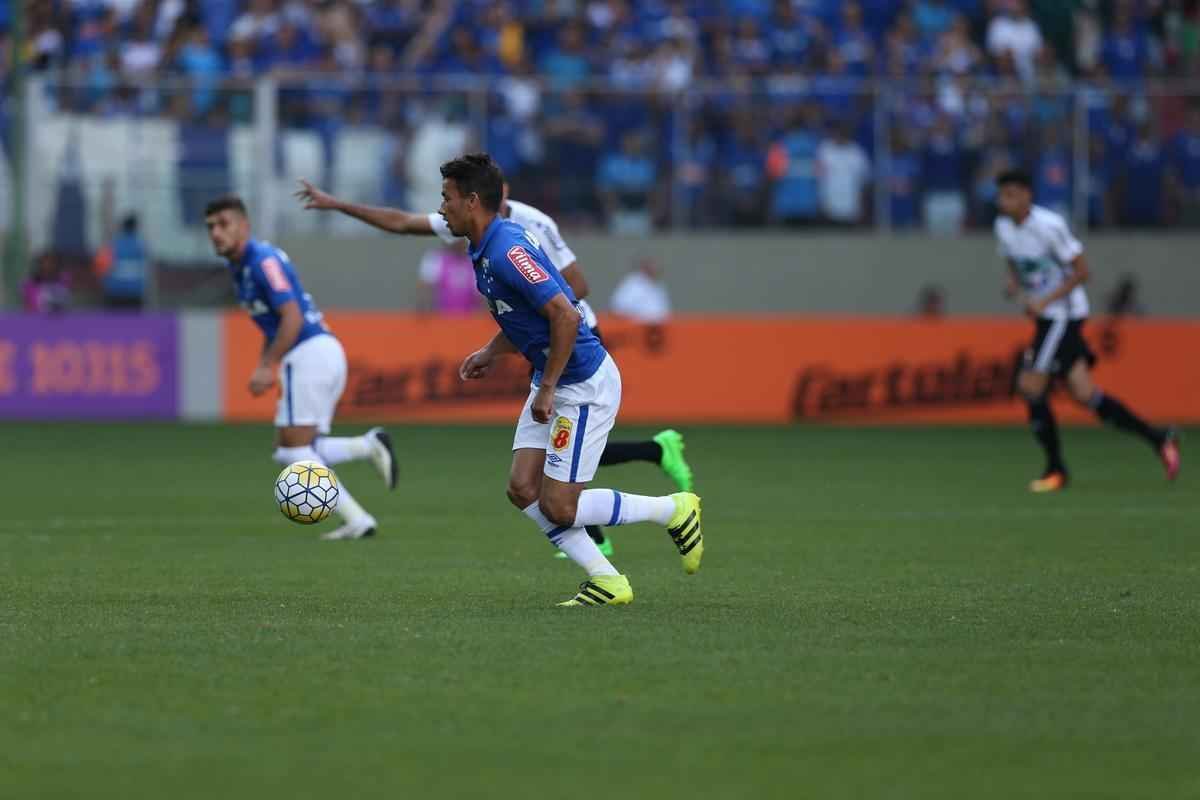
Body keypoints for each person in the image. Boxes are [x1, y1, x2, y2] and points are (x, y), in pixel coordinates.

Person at [294, 175, 694, 559]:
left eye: (452, 197)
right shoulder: (471, 228)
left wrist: (538, 311)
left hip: (572, 345)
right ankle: (610, 529)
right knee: (530, 480)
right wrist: (336, 204)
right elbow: (401, 222)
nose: (444, 208)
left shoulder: (525, 229)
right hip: (539, 349)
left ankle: (632, 510)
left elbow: (576, 291)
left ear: (485, 198)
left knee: (562, 473)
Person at [436, 153, 703, 607]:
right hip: (554, 378)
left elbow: (563, 312)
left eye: (446, 198)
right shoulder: (482, 251)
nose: (441, 209)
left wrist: (547, 387)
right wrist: (489, 352)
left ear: (472, 201)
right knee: (522, 489)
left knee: (560, 505)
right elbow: (525, 318)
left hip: (582, 386)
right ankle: (607, 581)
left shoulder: (508, 250)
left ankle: (674, 510)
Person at [203, 195, 398, 540]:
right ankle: (368, 447)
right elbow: (275, 324)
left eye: (223, 224)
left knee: (293, 450)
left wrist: (268, 365)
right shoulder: (240, 268)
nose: (216, 233)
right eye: (210, 227)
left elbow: (291, 316)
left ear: (243, 226)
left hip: (309, 353)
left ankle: (358, 518)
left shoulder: (261, 260)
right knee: (301, 446)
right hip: (317, 353)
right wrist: (268, 363)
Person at [993, 169, 1180, 492]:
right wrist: (1015, 284)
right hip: (1046, 316)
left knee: (1030, 386)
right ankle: (1158, 438)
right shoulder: (1003, 228)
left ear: (1027, 196)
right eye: (1002, 195)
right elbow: (1013, 262)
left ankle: (1056, 469)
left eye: (1011, 194)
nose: (1004, 201)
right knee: (1084, 393)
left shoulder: (1049, 226)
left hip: (1063, 315)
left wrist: (1044, 300)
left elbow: (1082, 272)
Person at [610, 257, 670, 323]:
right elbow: (619, 307)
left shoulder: (659, 286)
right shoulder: (633, 284)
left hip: (660, 328)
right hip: (636, 327)